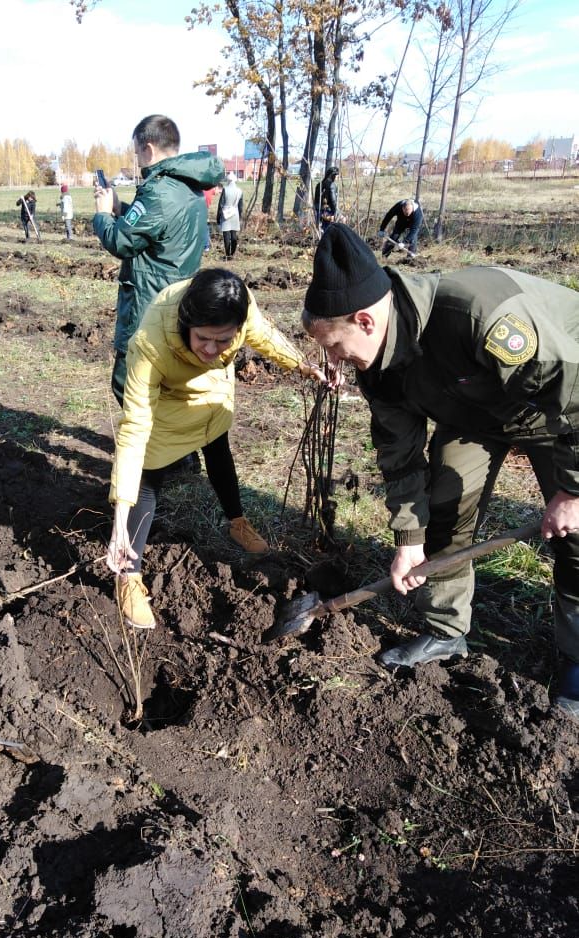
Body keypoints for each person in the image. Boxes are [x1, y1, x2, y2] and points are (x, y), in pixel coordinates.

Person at [300, 223, 579, 719]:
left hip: (559, 407)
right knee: (447, 508)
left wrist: (574, 491)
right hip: (479, 415)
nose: (334, 361)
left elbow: (572, 390)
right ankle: (447, 633)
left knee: (577, 536)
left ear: (365, 320)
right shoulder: (378, 367)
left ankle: (577, 658)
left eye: (334, 347)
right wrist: (409, 538)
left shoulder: (478, 315)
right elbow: (399, 455)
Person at [107, 268, 324, 630]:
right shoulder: (150, 343)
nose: (211, 349)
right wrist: (118, 520)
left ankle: (237, 523)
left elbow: (265, 336)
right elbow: (133, 430)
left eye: (223, 341)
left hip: (213, 394)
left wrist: (302, 365)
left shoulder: (239, 305)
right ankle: (129, 574)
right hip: (168, 402)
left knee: (218, 448)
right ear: (186, 322)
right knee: (149, 474)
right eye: (203, 338)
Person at [93, 114, 225, 405]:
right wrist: (121, 208)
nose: (138, 159)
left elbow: (122, 242)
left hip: (149, 301)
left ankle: (160, 448)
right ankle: (167, 444)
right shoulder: (188, 185)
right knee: (163, 381)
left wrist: (102, 214)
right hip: (179, 296)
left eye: (137, 152)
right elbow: (157, 229)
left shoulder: (158, 190)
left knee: (127, 383)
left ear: (148, 149)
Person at [217, 171, 243, 260]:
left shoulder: (225, 189)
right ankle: (232, 253)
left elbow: (221, 204)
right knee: (234, 234)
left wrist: (218, 216)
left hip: (226, 213)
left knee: (226, 234)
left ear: (227, 180)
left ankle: (228, 254)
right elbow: (240, 205)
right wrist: (240, 216)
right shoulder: (239, 191)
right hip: (235, 213)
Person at [313, 166, 339, 231]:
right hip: (328, 212)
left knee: (321, 231)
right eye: (337, 176)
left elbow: (316, 200)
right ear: (332, 175)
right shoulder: (331, 185)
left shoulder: (319, 185)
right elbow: (333, 201)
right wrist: (336, 212)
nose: (337, 178)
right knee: (329, 232)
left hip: (319, 211)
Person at [202, 186, 215, 252]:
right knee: (205, 228)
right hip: (203, 208)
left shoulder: (204, 188)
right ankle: (206, 246)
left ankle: (205, 245)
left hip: (202, 207)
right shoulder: (210, 189)